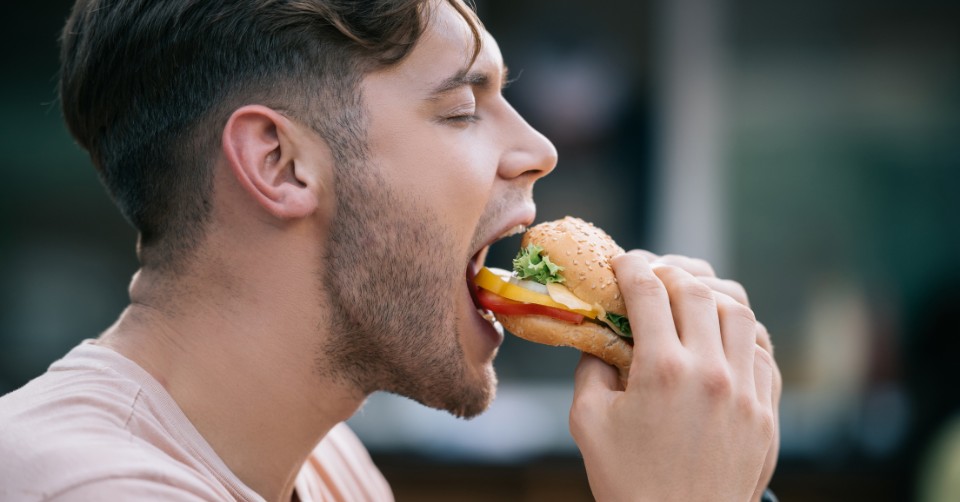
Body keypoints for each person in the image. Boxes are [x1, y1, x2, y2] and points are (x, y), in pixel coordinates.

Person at [0, 0, 781, 500]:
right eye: (461, 109)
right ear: (280, 163)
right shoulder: (77, 483)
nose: (540, 148)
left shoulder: (330, 469)